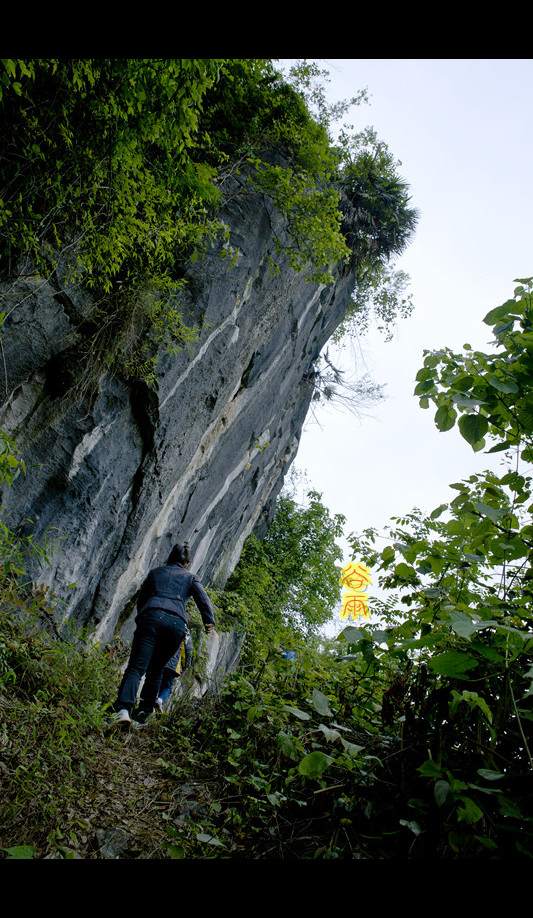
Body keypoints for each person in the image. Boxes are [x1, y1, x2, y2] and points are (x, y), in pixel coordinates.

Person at [110, 542, 215, 727]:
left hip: (151, 615)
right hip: (176, 624)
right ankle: (142, 716)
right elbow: (203, 598)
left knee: (136, 667)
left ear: (170, 558)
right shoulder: (190, 577)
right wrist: (209, 621)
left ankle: (123, 710)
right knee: (157, 670)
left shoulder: (156, 573)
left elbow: (142, 598)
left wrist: (143, 617)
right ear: (186, 564)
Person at [155, 627, 193, 711]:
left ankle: (149, 702)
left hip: (159, 659)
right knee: (167, 686)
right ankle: (159, 700)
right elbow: (186, 650)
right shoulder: (184, 629)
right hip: (173, 664)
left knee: (155, 681)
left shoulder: (165, 621)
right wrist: (184, 666)